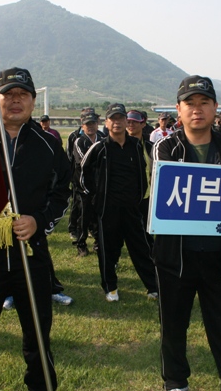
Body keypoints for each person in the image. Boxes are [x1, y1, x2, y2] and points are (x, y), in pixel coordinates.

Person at [152, 75, 221, 391]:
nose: (197, 109)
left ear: (216, 108)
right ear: (178, 109)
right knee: (173, 326)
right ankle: (175, 382)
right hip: (175, 257)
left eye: (204, 102)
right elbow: (173, 188)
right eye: (190, 103)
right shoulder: (166, 147)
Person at [0, 67, 70, 391]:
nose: (15, 100)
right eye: (8, 94)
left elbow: (61, 193)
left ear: (33, 101)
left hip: (31, 257)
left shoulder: (48, 145)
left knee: (38, 339)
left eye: (22, 95)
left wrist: (38, 221)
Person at [80, 103, 158, 302]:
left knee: (141, 247)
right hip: (107, 209)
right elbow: (83, 175)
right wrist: (96, 198)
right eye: (112, 119)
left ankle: (153, 287)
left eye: (120, 118)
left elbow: (141, 173)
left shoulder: (135, 146)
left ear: (125, 121)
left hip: (132, 208)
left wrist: (138, 197)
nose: (117, 122)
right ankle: (110, 287)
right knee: (107, 249)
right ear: (106, 123)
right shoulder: (100, 148)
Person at [72, 110, 103, 256]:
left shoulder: (102, 138)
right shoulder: (79, 141)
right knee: (84, 217)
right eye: (87, 124)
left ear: (97, 124)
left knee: (99, 216)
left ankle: (98, 243)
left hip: (100, 186)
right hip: (83, 186)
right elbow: (83, 162)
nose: (90, 126)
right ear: (82, 126)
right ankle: (81, 244)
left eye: (93, 123)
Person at [126, 109, 155, 248]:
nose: (131, 125)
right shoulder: (120, 145)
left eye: (135, 122)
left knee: (146, 229)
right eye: (128, 122)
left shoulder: (151, 146)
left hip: (146, 195)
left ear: (143, 124)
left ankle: (149, 251)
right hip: (125, 195)